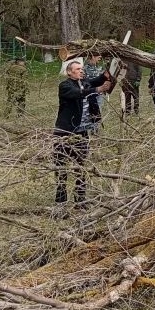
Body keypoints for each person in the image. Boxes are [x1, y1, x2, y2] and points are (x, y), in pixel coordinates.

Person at [53, 60, 110, 205]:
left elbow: (95, 81)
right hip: (64, 133)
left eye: (82, 68)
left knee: (81, 167)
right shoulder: (65, 86)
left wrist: (105, 75)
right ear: (69, 72)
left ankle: (80, 200)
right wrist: (98, 89)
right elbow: (78, 93)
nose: (81, 71)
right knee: (61, 168)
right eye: (78, 69)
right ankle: (61, 202)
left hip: (82, 133)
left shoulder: (85, 82)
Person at [83, 52, 105, 131]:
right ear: (92, 56)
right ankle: (91, 128)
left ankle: (96, 129)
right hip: (90, 95)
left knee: (98, 111)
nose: (100, 57)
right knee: (90, 111)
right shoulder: (84, 69)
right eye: (98, 55)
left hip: (100, 94)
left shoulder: (100, 68)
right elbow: (85, 83)